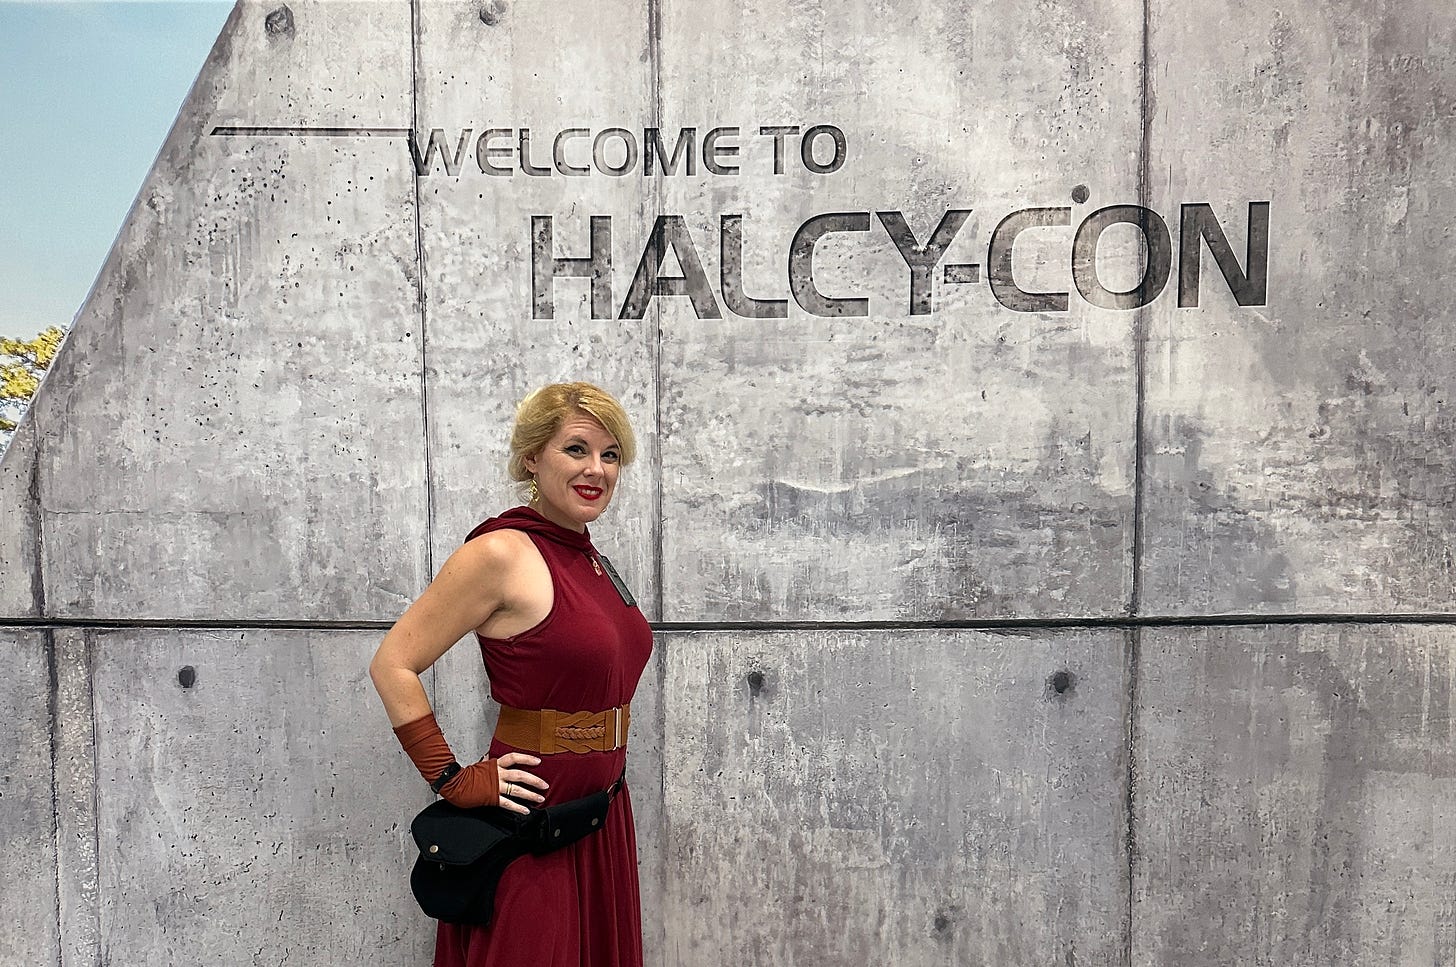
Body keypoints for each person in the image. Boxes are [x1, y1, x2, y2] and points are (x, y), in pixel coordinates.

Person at [369, 381, 653, 967]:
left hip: (601, 816)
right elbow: (393, 663)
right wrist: (451, 778)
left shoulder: (590, 556)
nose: (595, 469)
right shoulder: (501, 553)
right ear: (531, 458)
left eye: (610, 454)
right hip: (532, 823)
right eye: (576, 449)